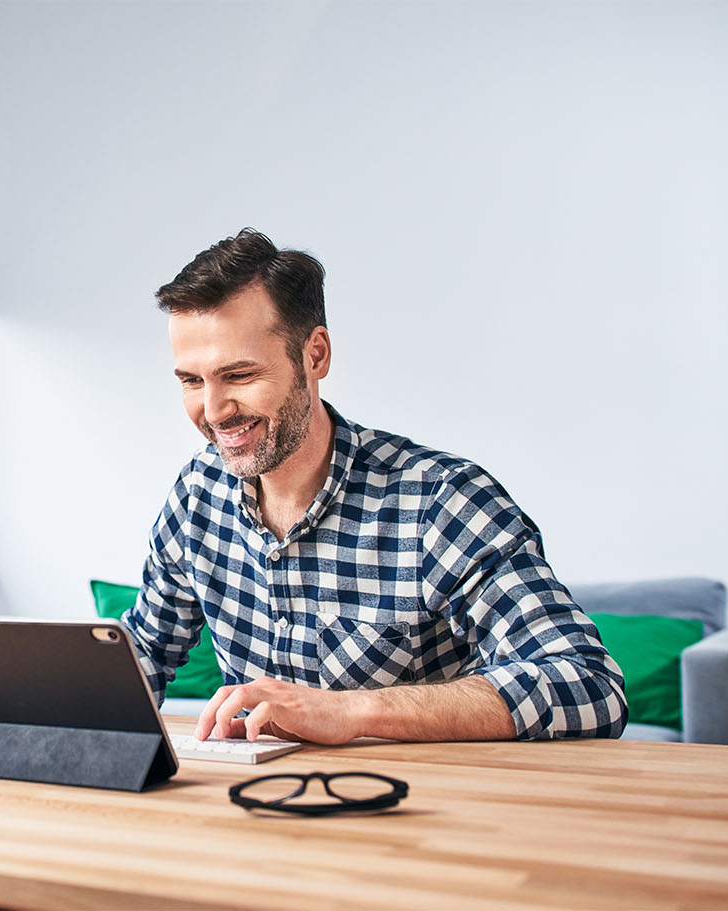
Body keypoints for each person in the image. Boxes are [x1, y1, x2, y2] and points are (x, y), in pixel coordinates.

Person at [121, 229, 626, 744]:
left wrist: (351, 711)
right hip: (253, 805)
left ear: (314, 355)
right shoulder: (197, 496)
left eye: (240, 374)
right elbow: (142, 653)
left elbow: (589, 685)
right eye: (191, 381)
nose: (213, 410)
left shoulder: (440, 500)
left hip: (415, 811)